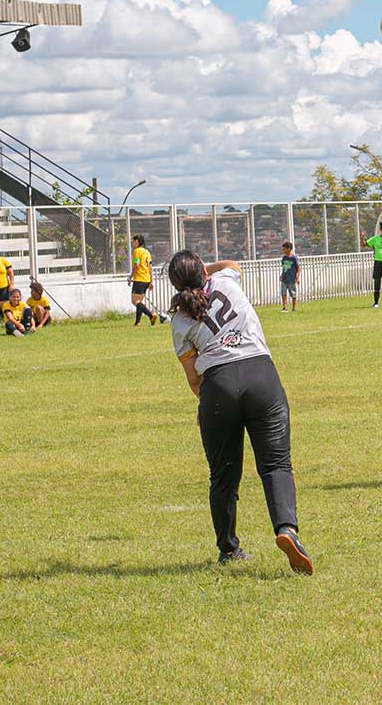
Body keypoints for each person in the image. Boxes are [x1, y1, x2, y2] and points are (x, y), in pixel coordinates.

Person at [167, 250, 312, 574]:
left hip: (218, 385)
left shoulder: (178, 319)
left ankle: (229, 549)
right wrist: (207, 268)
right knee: (276, 464)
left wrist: (207, 403)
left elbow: (193, 377)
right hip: (261, 375)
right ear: (203, 270)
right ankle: (286, 528)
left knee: (223, 475)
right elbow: (235, 265)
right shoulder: (225, 282)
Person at [129, 234, 166, 326]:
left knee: (135, 301)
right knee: (139, 302)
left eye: (133, 241)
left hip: (139, 279)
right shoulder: (147, 252)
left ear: (137, 242)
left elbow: (136, 265)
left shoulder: (137, 251)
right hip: (146, 279)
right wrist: (151, 281)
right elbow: (150, 267)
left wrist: (130, 277)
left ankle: (151, 315)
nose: (132, 243)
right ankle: (137, 322)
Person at [280, 241, 301, 312]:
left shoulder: (294, 258)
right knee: (283, 293)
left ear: (289, 249)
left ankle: (294, 308)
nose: (283, 250)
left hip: (291, 279)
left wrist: (297, 278)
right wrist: (282, 275)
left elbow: (298, 268)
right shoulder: (284, 258)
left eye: (284, 249)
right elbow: (284, 267)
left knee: (293, 294)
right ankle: (284, 307)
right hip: (284, 279)